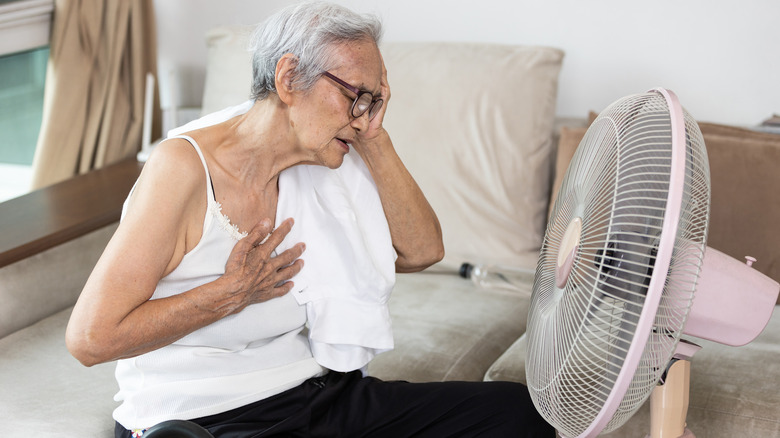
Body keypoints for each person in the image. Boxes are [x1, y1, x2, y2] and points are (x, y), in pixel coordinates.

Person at [66, 2, 555, 437]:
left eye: (375, 100)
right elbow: (91, 338)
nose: (364, 117)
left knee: (518, 414)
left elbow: (423, 251)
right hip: (204, 417)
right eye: (355, 96)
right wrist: (230, 293)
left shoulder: (327, 160)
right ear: (287, 78)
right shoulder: (183, 169)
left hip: (316, 394)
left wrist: (372, 135)